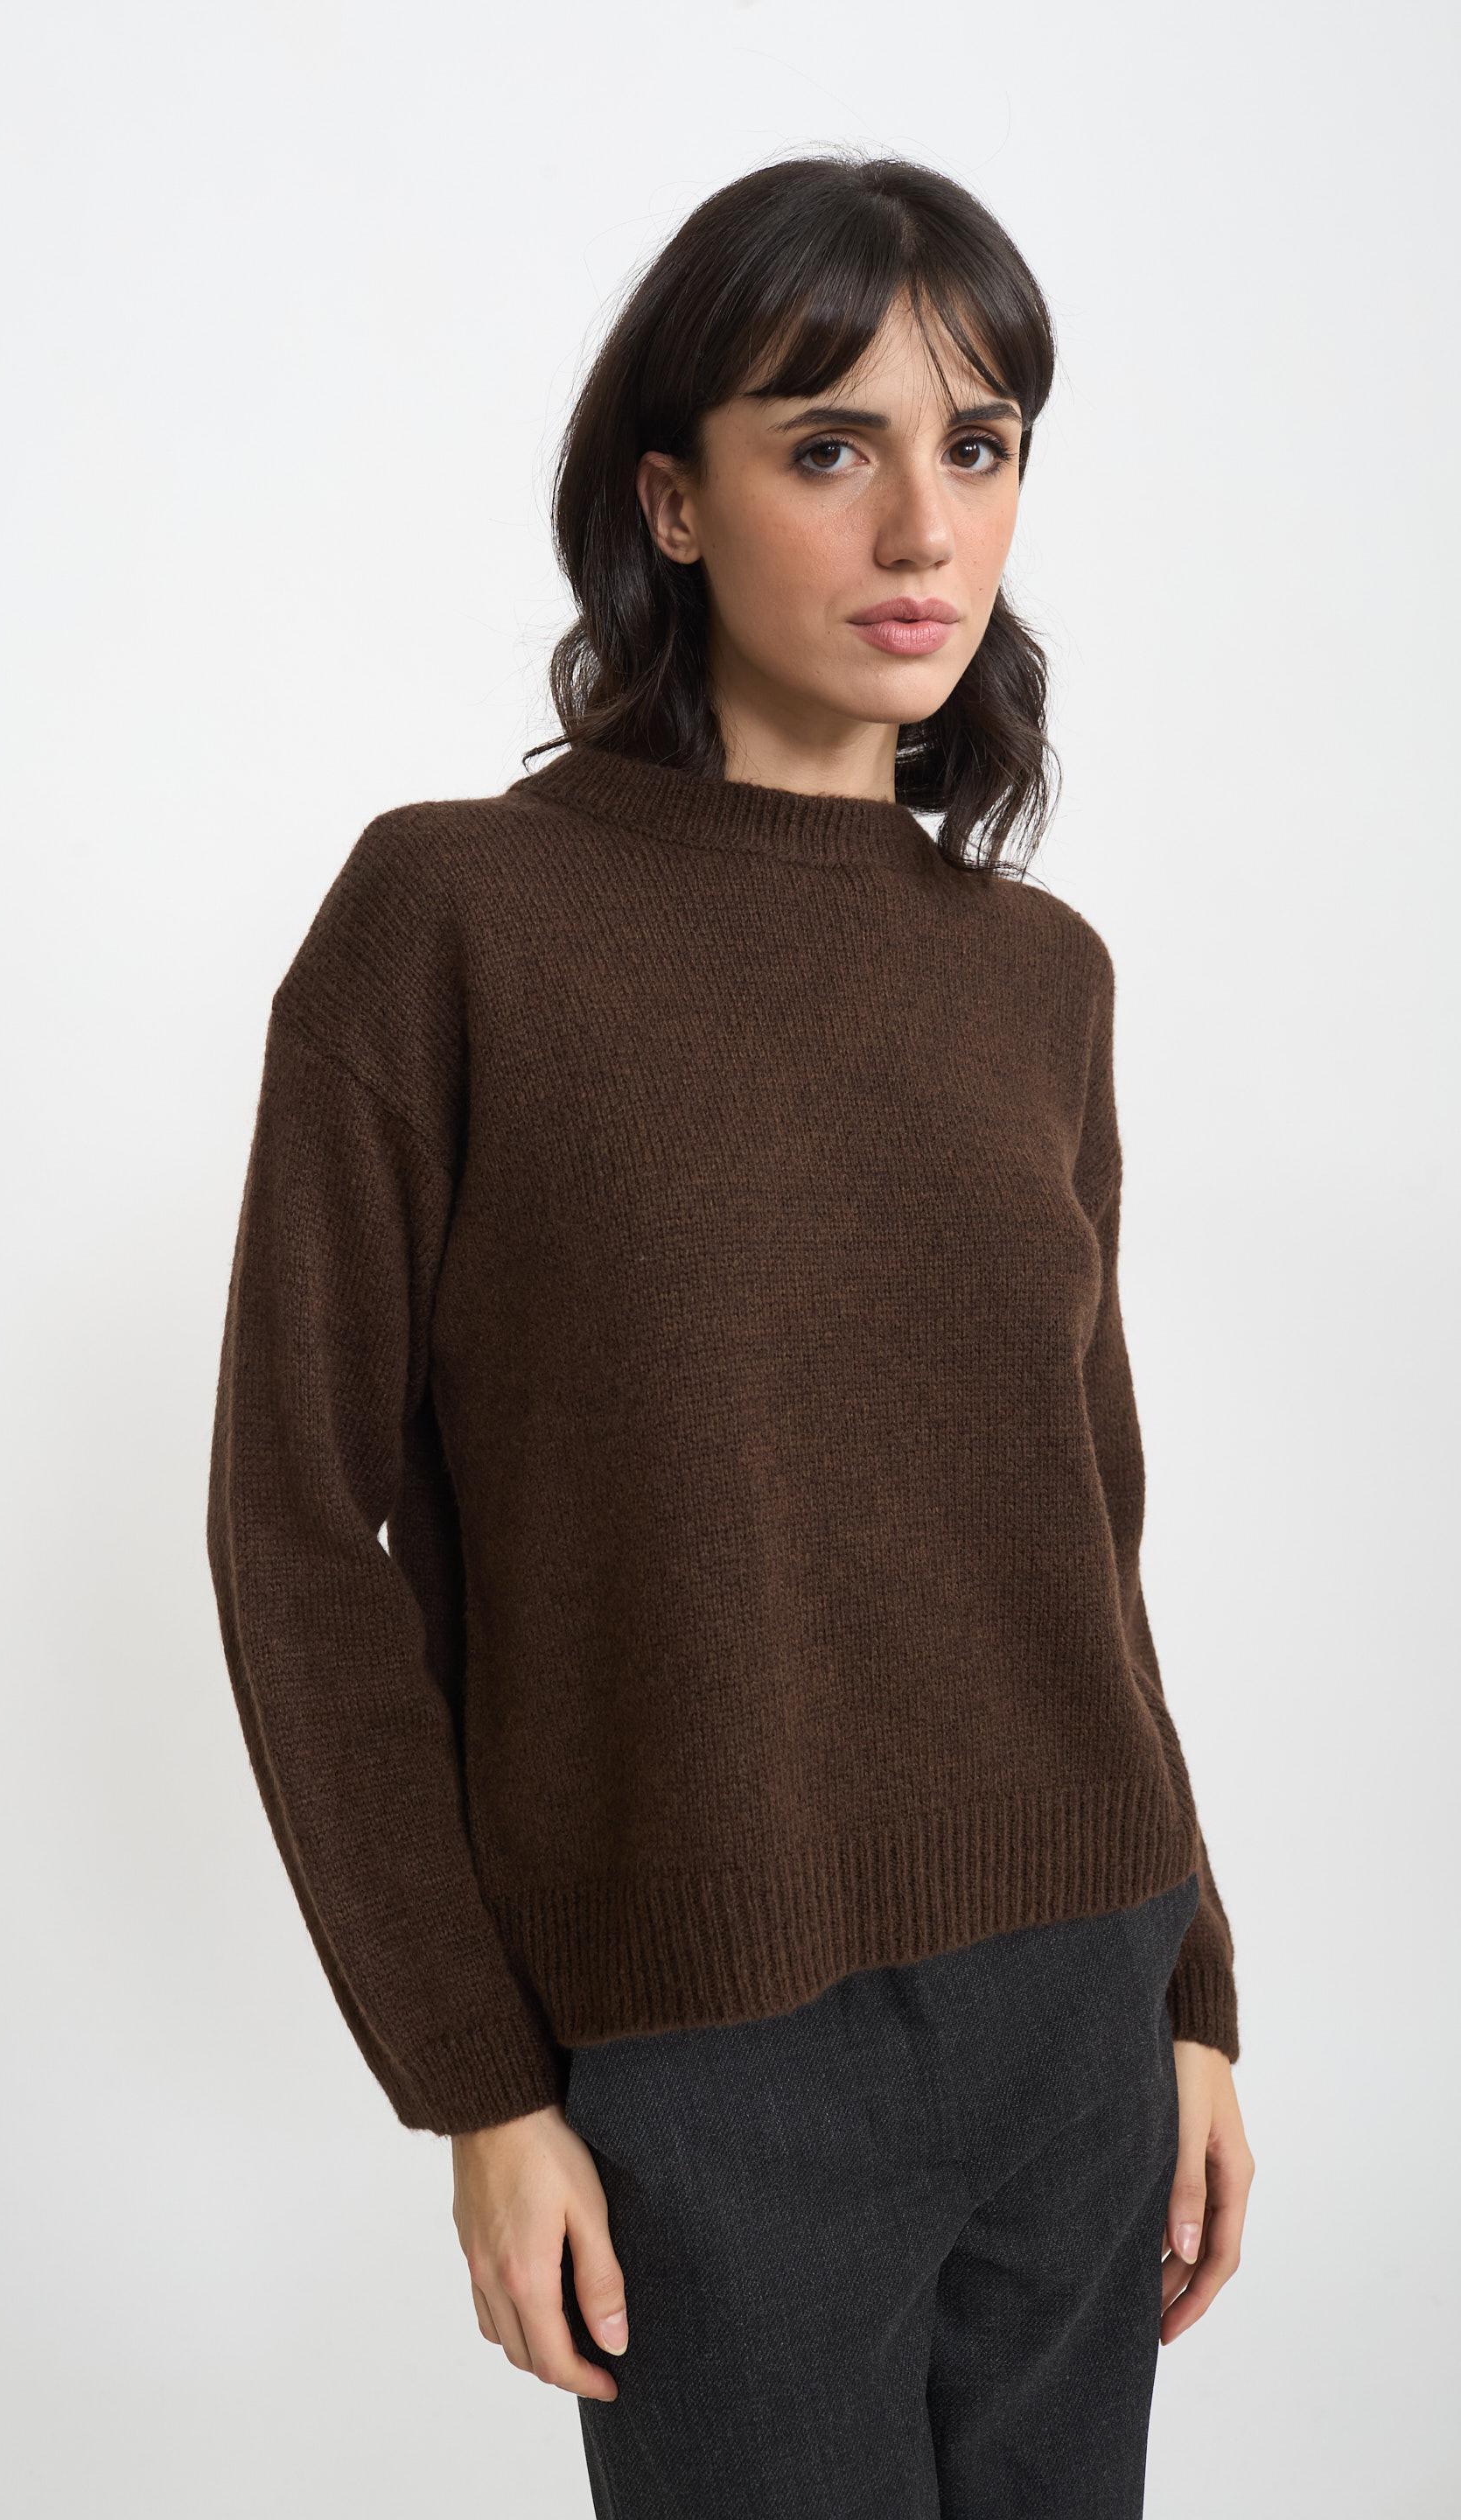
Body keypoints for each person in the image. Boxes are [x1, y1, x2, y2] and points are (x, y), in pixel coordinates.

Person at [205, 151, 1255, 2516]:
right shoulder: (455, 918)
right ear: (669, 503)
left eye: (977, 444)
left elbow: (1086, 1527)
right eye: (830, 445)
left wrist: (1195, 1989)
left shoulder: (1038, 976)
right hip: (710, 2054)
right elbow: (295, 1535)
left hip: (1082, 2012)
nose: (923, 528)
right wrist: (479, 2086)